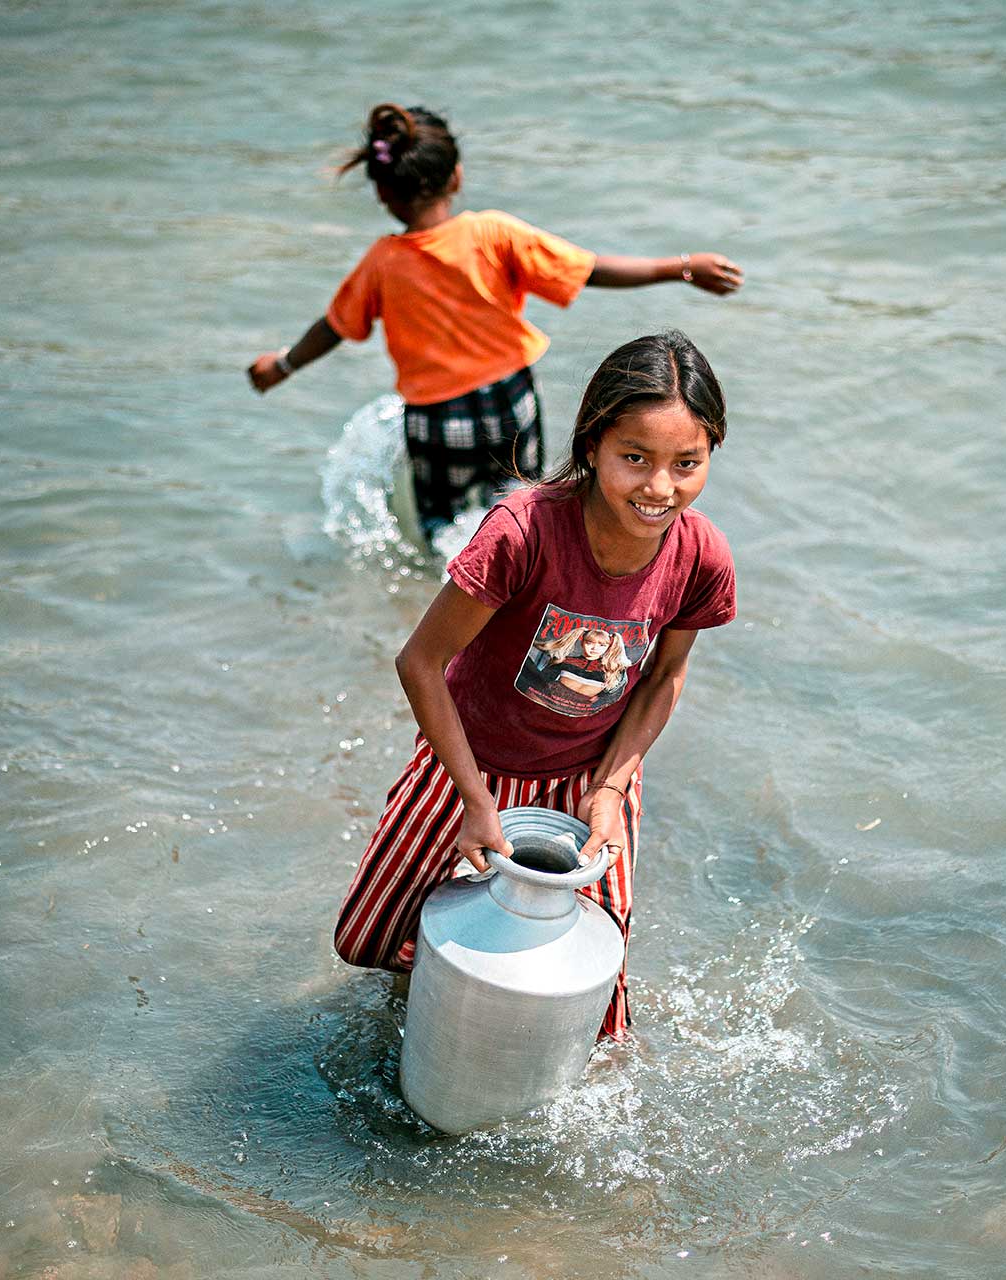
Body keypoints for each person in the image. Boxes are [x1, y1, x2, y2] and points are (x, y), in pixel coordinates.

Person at [333, 330, 737, 1041]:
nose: (659, 487)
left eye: (687, 464)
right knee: (368, 940)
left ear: (711, 456)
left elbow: (666, 676)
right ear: (591, 447)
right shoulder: (523, 533)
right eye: (634, 459)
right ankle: (435, 1009)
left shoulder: (699, 554)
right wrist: (472, 797)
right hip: (473, 763)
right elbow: (420, 662)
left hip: (591, 778)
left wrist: (610, 790)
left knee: (597, 993)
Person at [246, 103, 743, 538]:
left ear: (383, 194)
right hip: (511, 403)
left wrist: (283, 366)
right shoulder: (493, 233)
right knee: (521, 511)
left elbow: (334, 327)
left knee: (443, 526)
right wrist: (680, 267)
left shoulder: (382, 261)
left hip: (437, 418)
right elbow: (589, 269)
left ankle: (443, 597)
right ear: (456, 177)